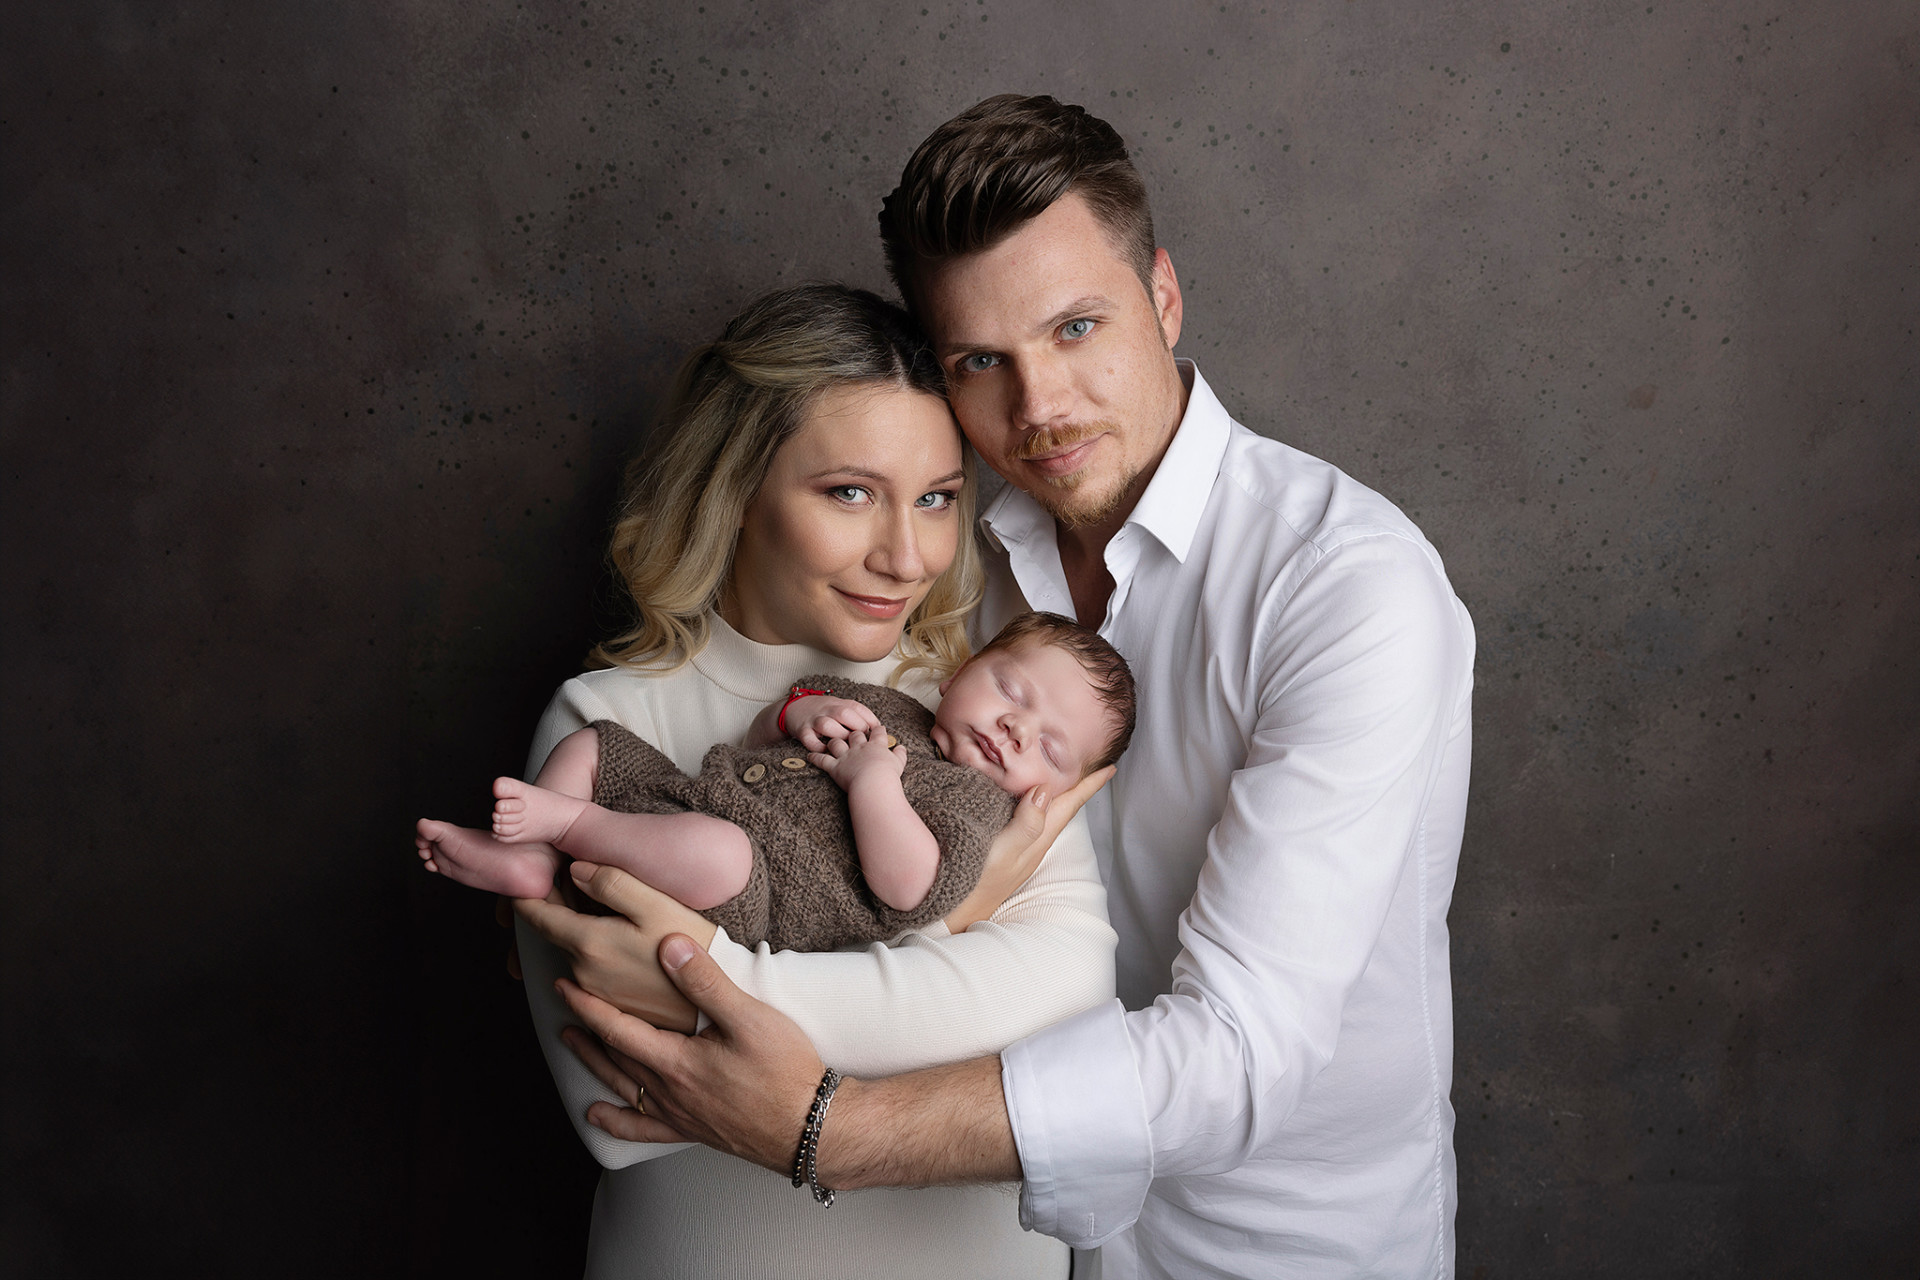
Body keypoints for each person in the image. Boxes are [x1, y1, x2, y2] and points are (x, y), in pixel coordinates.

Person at [547, 95, 1478, 1278]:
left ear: (1166, 297)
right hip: (1023, 1243)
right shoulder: (950, 562)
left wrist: (821, 1122)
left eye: (1078, 327)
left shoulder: (1346, 589)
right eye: (981, 361)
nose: (1037, 409)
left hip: (1277, 1250)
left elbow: (1243, 1053)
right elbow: (863, 877)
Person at [499, 280, 1117, 1278]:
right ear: (736, 486)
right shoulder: (606, 724)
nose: (907, 553)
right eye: (850, 491)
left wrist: (712, 980)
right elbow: (618, 1107)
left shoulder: (982, 712)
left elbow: (1070, 1009)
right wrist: (959, 924)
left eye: (937, 497)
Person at [416, 611, 1135, 952]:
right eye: (1011, 690)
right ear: (959, 671)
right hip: (688, 798)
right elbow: (761, 730)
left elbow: (911, 888)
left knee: (718, 853)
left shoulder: (974, 808)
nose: (1014, 728)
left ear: (1049, 790)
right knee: (595, 744)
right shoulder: (890, 707)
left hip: (759, 891)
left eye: (1047, 745)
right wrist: (801, 713)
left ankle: (565, 829)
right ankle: (535, 862)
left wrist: (872, 784)